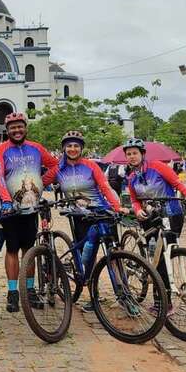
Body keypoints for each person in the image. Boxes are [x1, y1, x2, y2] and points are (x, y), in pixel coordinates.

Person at [43, 131, 128, 312]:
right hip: (79, 217)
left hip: (100, 212)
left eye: (76, 146)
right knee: (86, 257)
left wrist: (116, 206)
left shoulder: (90, 166)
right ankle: (92, 294)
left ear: (81, 148)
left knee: (113, 254)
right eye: (69, 146)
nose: (73, 149)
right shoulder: (59, 169)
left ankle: (123, 295)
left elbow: (105, 186)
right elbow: (41, 182)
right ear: (64, 148)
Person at [123, 137, 186, 314]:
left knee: (164, 256)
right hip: (149, 219)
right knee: (156, 257)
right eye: (128, 154)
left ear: (142, 154)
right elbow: (135, 200)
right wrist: (137, 211)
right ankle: (161, 301)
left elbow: (177, 183)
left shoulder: (157, 167)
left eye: (135, 153)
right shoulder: (131, 178)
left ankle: (163, 301)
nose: (132, 157)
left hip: (172, 215)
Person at [0, 112, 58, 313]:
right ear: (7, 130)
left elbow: (55, 165)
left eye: (20, 126)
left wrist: (41, 183)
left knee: (29, 250)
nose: (17, 130)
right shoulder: (0, 150)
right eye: (13, 127)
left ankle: (29, 290)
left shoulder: (36, 148)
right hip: (10, 208)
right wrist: (5, 199)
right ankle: (13, 293)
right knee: (12, 249)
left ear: (25, 127)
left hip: (31, 207)